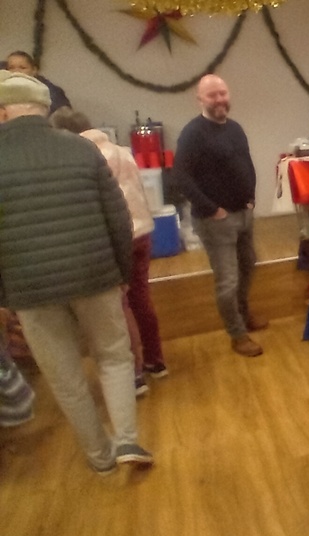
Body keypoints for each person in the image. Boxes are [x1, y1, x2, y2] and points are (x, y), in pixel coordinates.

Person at [0, 71, 153, 473]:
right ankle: (126, 440)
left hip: (30, 289)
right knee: (114, 357)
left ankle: (100, 458)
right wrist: (122, 272)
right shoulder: (82, 148)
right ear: (43, 109)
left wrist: (5, 296)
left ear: (2, 112)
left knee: (65, 378)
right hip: (95, 274)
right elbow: (118, 218)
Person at [50, 107, 169, 395]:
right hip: (142, 232)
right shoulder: (122, 151)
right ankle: (155, 361)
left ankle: (134, 374)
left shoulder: (82, 158)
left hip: (115, 238)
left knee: (119, 307)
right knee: (141, 298)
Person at [174, 74, 267, 357]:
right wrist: (212, 209)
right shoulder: (192, 133)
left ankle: (243, 315)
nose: (219, 100)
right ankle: (237, 335)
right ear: (200, 99)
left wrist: (250, 198)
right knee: (227, 281)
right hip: (215, 220)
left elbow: (246, 164)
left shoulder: (235, 129)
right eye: (212, 95)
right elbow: (181, 177)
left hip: (243, 213)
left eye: (222, 93)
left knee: (248, 266)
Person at [5, 51, 71, 114]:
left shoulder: (52, 92)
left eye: (22, 68)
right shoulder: (4, 89)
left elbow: (62, 118)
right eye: (11, 68)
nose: (16, 71)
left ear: (34, 70)